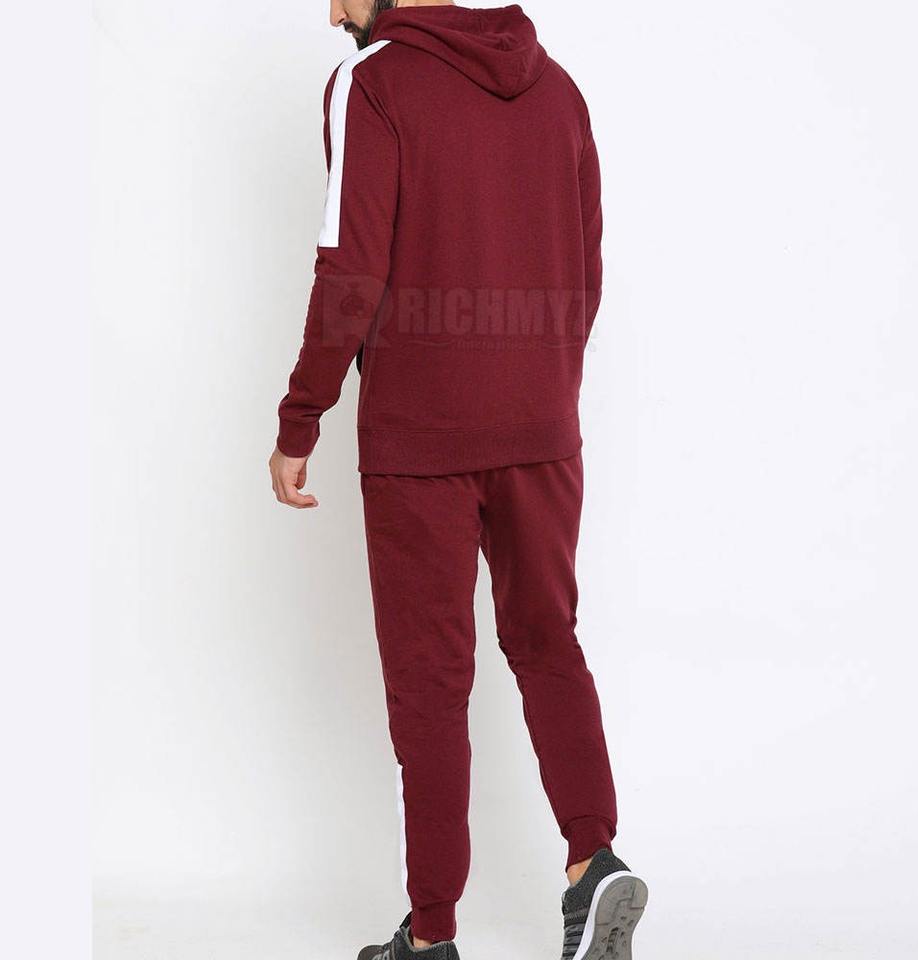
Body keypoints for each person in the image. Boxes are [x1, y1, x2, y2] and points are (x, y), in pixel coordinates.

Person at [268, 2, 648, 957]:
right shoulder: (558, 89)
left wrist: (301, 415)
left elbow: (350, 267)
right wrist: (540, 385)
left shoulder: (372, 83)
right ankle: (593, 862)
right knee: (548, 641)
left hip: (421, 437)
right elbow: (587, 269)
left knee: (430, 684)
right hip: (542, 430)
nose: (332, 13)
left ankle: (432, 935)